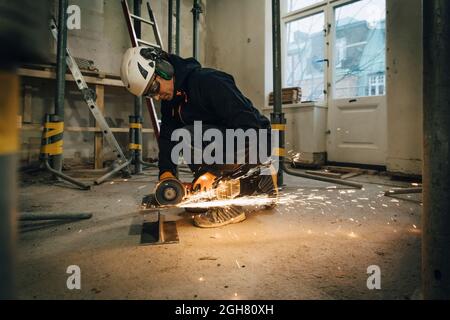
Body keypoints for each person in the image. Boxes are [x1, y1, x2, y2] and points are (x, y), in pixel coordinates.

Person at [121, 46, 277, 228]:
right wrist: (167, 173)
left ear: (164, 68)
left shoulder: (209, 81)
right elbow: (167, 137)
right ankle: (259, 183)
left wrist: (212, 171)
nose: (156, 97)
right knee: (183, 137)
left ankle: (232, 205)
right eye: (150, 94)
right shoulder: (170, 100)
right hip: (228, 143)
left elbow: (249, 128)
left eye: (154, 87)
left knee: (188, 134)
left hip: (255, 139)